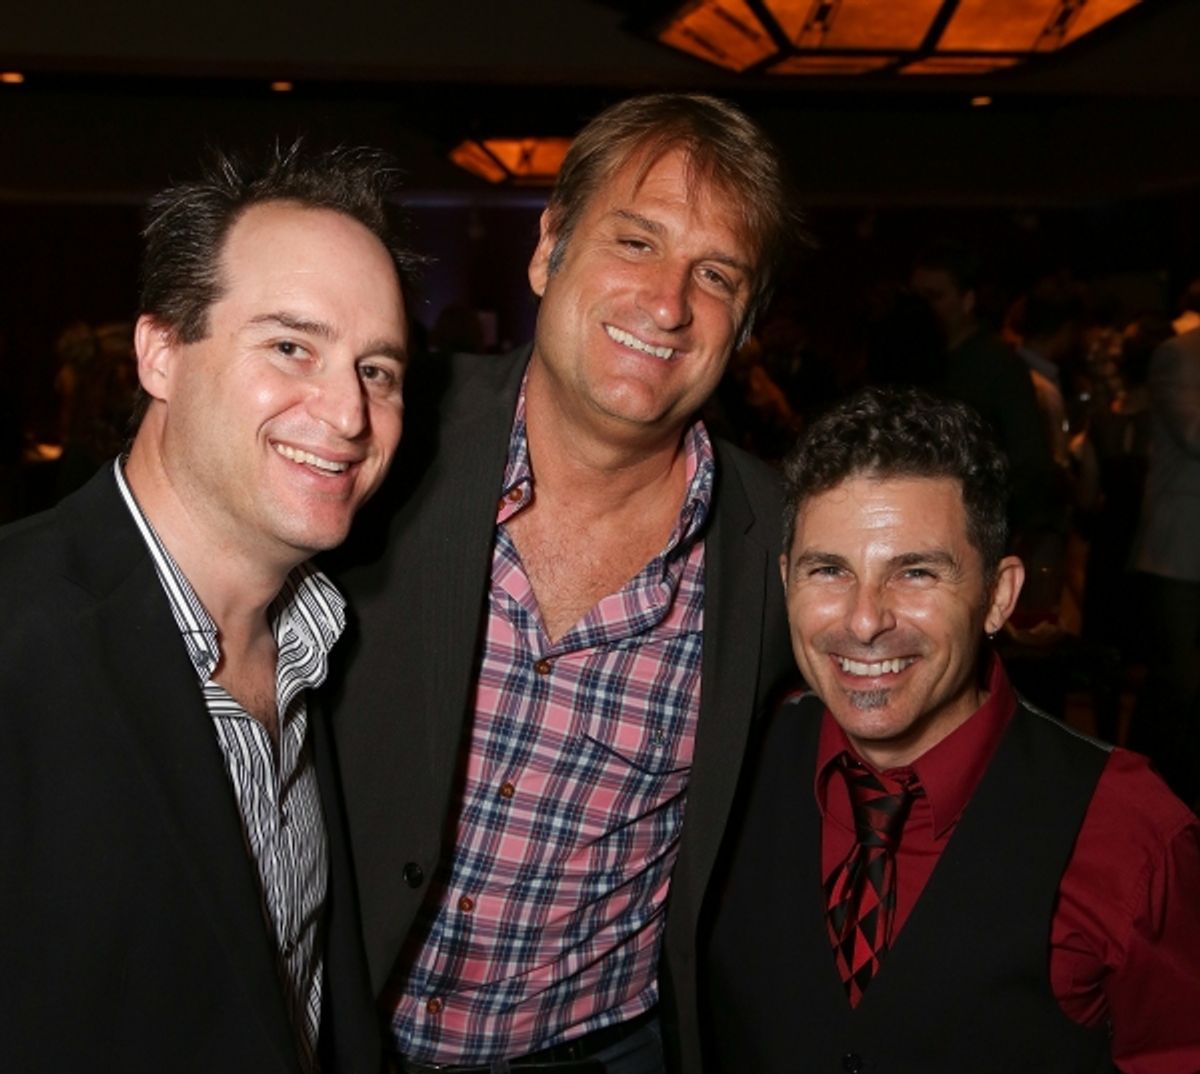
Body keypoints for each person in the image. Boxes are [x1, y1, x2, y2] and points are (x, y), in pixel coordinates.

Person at [327, 94, 800, 1074]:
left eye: (716, 275)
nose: (668, 303)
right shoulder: (375, 435)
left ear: (745, 322)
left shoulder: (784, 544)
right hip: (335, 1033)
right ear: (549, 251)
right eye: (635, 242)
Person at [0, 144, 418, 1073]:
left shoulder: (322, 642)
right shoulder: (20, 637)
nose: (348, 414)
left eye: (378, 370)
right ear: (160, 353)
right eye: (290, 347)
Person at [707, 387, 1200, 1073]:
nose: (863, 619)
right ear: (787, 580)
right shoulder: (726, 766)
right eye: (829, 570)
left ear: (999, 597)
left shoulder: (1130, 830)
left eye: (914, 572)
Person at [1130, 325, 1200, 807]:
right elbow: (1195, 434)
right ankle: (1161, 797)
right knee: (1180, 682)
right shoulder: (1179, 354)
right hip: (1181, 549)